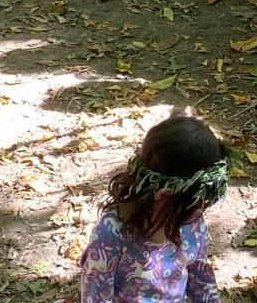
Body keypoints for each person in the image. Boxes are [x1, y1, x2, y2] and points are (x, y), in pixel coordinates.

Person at [80, 114, 227, 302]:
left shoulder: (193, 225)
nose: (198, 212)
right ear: (164, 195)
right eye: (194, 204)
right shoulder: (112, 235)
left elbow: (200, 280)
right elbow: (96, 296)